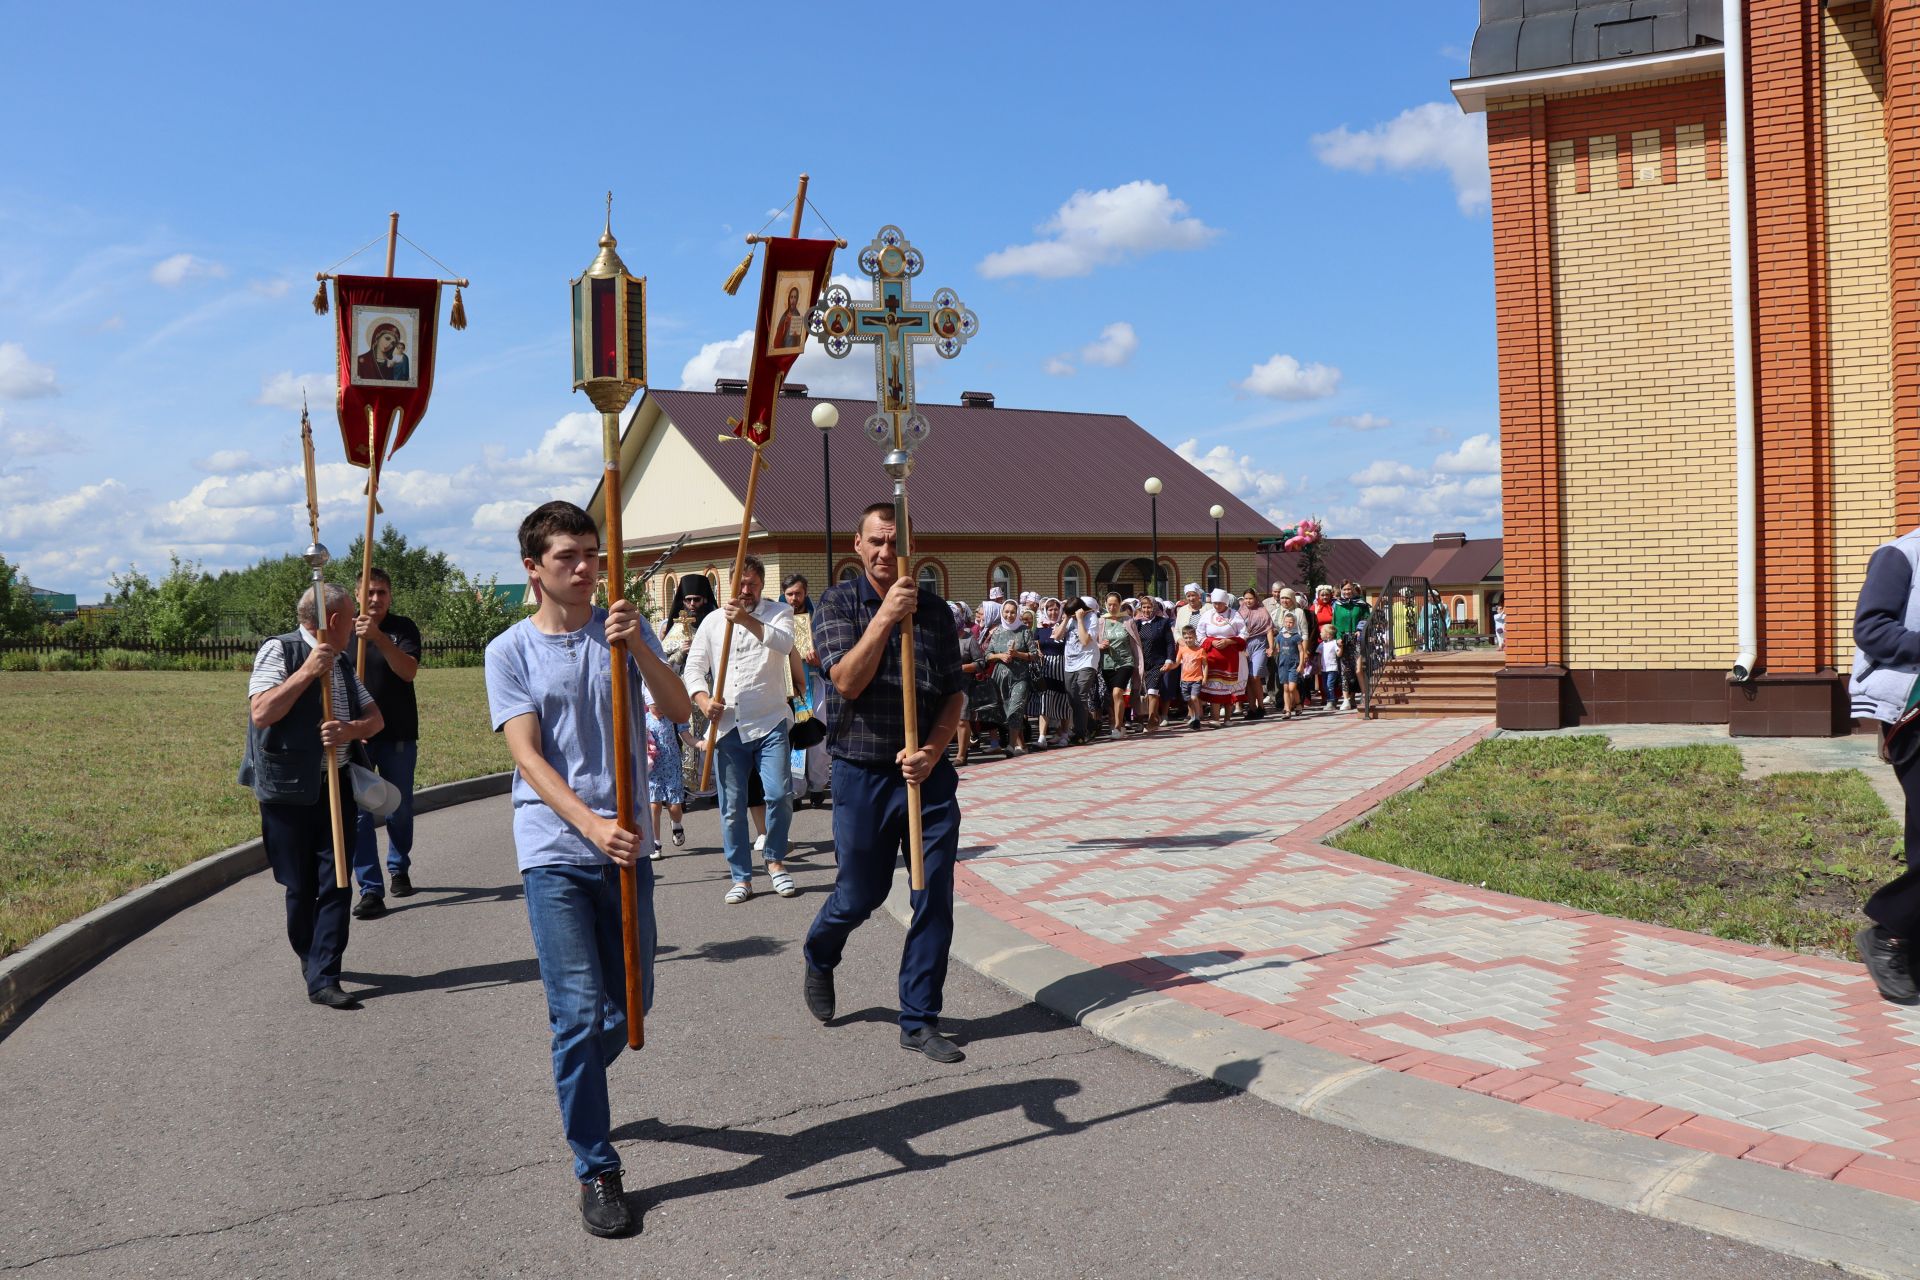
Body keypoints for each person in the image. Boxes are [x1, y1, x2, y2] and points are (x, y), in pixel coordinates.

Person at [483, 500, 691, 1238]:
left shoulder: (623, 630)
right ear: (533, 569)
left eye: (592, 555)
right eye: (568, 557)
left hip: (627, 847)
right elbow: (527, 757)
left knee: (631, 1009)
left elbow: (677, 709)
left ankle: (580, 1082)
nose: (584, 568)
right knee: (578, 1016)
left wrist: (637, 649)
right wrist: (591, 824)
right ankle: (597, 1167)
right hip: (557, 850)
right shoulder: (509, 650)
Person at [803, 502, 967, 1064]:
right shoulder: (837, 603)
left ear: (911, 546)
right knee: (862, 894)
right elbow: (845, 681)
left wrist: (932, 752)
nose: (884, 552)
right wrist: (885, 618)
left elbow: (953, 694)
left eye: (894, 542)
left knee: (933, 896)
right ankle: (821, 951)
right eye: (875, 541)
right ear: (857, 544)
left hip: (926, 776)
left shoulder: (939, 615)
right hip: (861, 773)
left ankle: (919, 1018)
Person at [243, 582, 384, 1010]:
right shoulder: (280, 652)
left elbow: (374, 718)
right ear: (334, 621)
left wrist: (349, 731)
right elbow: (262, 712)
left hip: (335, 785)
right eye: (351, 617)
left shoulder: (342, 662)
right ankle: (311, 956)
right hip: (287, 791)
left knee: (338, 879)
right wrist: (307, 672)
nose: (356, 627)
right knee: (299, 885)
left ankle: (325, 974)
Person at [683, 555, 798, 903]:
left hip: (770, 720)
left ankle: (775, 861)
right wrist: (703, 700)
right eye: (740, 584)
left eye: (751, 583)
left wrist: (746, 619)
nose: (745, 590)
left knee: (778, 794)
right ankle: (741, 877)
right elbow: (693, 668)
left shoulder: (779, 613)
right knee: (732, 806)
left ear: (761, 585)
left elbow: (785, 644)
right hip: (728, 727)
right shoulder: (713, 622)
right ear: (728, 586)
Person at [346, 567, 422, 918]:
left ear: (390, 596)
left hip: (397, 734)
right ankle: (371, 889)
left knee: (398, 807)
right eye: (369, 592)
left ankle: (398, 866)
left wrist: (378, 638)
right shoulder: (342, 629)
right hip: (357, 737)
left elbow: (407, 671)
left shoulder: (402, 628)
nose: (375, 599)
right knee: (360, 814)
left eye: (382, 593)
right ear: (357, 594)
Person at [661, 575, 717, 799]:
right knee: (684, 737)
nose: (692, 605)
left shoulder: (715, 623)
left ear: (705, 599)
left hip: (710, 692)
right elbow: (661, 663)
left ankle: (712, 784)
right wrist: (680, 653)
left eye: (697, 600)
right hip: (682, 694)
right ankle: (685, 787)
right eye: (688, 600)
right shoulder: (672, 628)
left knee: (710, 735)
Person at [783, 573, 831, 808]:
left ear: (805, 593)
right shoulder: (775, 620)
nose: (794, 598)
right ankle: (795, 789)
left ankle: (818, 785)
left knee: (816, 739)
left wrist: (819, 660)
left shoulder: (817, 619)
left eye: (798, 593)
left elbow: (830, 650)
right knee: (792, 739)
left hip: (813, 683)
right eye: (790, 594)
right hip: (786, 687)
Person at [985, 599, 1035, 755]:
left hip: (1020, 677)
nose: (1009, 615)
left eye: (1012, 612)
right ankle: (1023, 746)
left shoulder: (1024, 631)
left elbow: (1033, 655)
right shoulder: (997, 631)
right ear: (1002, 613)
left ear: (1017, 613)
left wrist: (1017, 654)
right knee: (1009, 711)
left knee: (1015, 708)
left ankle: (1011, 746)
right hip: (1001, 678)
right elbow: (987, 655)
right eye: (1006, 612)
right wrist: (1000, 656)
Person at [1196, 588, 1248, 722]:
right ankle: (1215, 718)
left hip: (1230, 658)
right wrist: (1211, 642)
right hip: (1213, 658)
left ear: (1225, 602)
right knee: (1214, 688)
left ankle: (1227, 719)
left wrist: (1228, 641)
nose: (1217, 606)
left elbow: (1244, 633)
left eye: (1219, 603)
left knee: (1228, 687)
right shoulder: (1207, 615)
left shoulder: (1234, 615)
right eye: (1214, 603)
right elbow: (1200, 634)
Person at [645, 701, 689, 859]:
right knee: (654, 806)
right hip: (652, 768)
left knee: (675, 808)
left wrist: (699, 744)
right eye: (657, 705)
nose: (662, 708)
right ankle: (655, 843)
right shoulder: (643, 719)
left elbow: (686, 736)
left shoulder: (672, 718)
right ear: (649, 704)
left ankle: (676, 824)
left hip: (671, 766)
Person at [1095, 592, 1140, 739]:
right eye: (1109, 604)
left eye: (1115, 604)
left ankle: (1118, 726)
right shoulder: (1101, 621)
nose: (1112, 607)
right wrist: (1100, 645)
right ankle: (1117, 723)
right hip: (1108, 663)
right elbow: (1092, 642)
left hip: (1125, 662)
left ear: (1120, 604)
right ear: (1105, 605)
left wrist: (1139, 664)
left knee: (1117, 693)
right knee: (1112, 696)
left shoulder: (1127, 620)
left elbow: (1135, 643)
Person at [1055, 596, 1100, 744]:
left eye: (1073, 614)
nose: (1073, 617)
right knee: (1072, 698)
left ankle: (1080, 733)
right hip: (1070, 662)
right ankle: (1091, 725)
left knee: (1080, 694)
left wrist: (1080, 620)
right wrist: (1066, 619)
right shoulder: (1069, 619)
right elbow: (1057, 636)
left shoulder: (1092, 617)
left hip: (1087, 660)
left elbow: (1085, 640)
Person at [1033, 597, 1070, 749]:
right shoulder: (1041, 628)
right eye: (1050, 609)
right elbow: (1035, 644)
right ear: (1045, 611)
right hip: (1046, 668)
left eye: (1056, 609)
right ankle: (1042, 737)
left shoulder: (1066, 627)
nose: (1053, 612)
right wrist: (1037, 651)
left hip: (1063, 667)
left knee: (1063, 702)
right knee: (1045, 702)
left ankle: (1065, 734)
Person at [1135, 596, 1174, 733]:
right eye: (1144, 607)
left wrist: (1169, 660)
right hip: (1142, 663)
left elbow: (1170, 643)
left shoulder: (1163, 623)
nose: (1146, 610)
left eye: (1149, 607)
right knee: (1142, 693)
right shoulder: (1137, 624)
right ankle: (1147, 718)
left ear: (1155, 608)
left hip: (1158, 662)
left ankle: (1151, 721)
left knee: (1153, 691)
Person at [1333, 581, 1369, 711]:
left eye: (1349, 589)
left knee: (1358, 669)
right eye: (1345, 589)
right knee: (1344, 671)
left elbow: (1366, 618)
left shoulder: (1360, 604)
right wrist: (1337, 638)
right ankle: (1346, 699)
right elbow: (1335, 623)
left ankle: (1365, 696)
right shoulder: (1338, 605)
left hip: (1357, 639)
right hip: (1343, 640)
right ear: (1341, 590)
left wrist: (1360, 629)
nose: (1347, 592)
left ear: (1353, 590)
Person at [1238, 587, 1272, 721]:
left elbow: (1269, 629)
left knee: (1256, 675)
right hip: (1245, 645)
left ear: (1256, 598)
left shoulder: (1262, 611)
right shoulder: (1240, 612)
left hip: (1259, 643)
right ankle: (1252, 708)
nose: (1248, 601)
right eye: (1246, 598)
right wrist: (1241, 648)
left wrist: (1270, 647)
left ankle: (1261, 706)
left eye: (1250, 598)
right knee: (1248, 678)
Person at [1169, 624, 1206, 731]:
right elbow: (1177, 663)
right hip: (1185, 679)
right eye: (1186, 638)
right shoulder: (1182, 649)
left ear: (1195, 637)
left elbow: (1205, 664)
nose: (1188, 640)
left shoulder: (1200, 650)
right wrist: (1170, 666)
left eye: (1190, 637)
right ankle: (1194, 716)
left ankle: (1197, 718)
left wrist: (1204, 677)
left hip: (1196, 679)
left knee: (1194, 697)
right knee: (1188, 699)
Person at [1274, 607, 1308, 718]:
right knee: (1285, 688)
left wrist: (1301, 664)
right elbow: (1277, 649)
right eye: (1287, 622)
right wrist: (1272, 651)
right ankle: (1287, 710)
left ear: (1294, 624)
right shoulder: (1279, 636)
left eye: (1291, 622)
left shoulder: (1296, 636)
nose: (1288, 624)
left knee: (1292, 688)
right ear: (1283, 622)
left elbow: (1301, 651)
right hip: (1283, 665)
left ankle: (1298, 704)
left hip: (1293, 665)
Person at [1316, 622, 1343, 707]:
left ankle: (1331, 701)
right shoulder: (1321, 644)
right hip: (1324, 669)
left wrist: (1341, 647)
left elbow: (1338, 654)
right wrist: (1319, 665)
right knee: (1324, 686)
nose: (1320, 633)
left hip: (1332, 668)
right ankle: (1331, 699)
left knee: (1329, 685)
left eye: (1322, 632)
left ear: (1328, 635)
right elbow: (1319, 655)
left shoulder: (1334, 643)